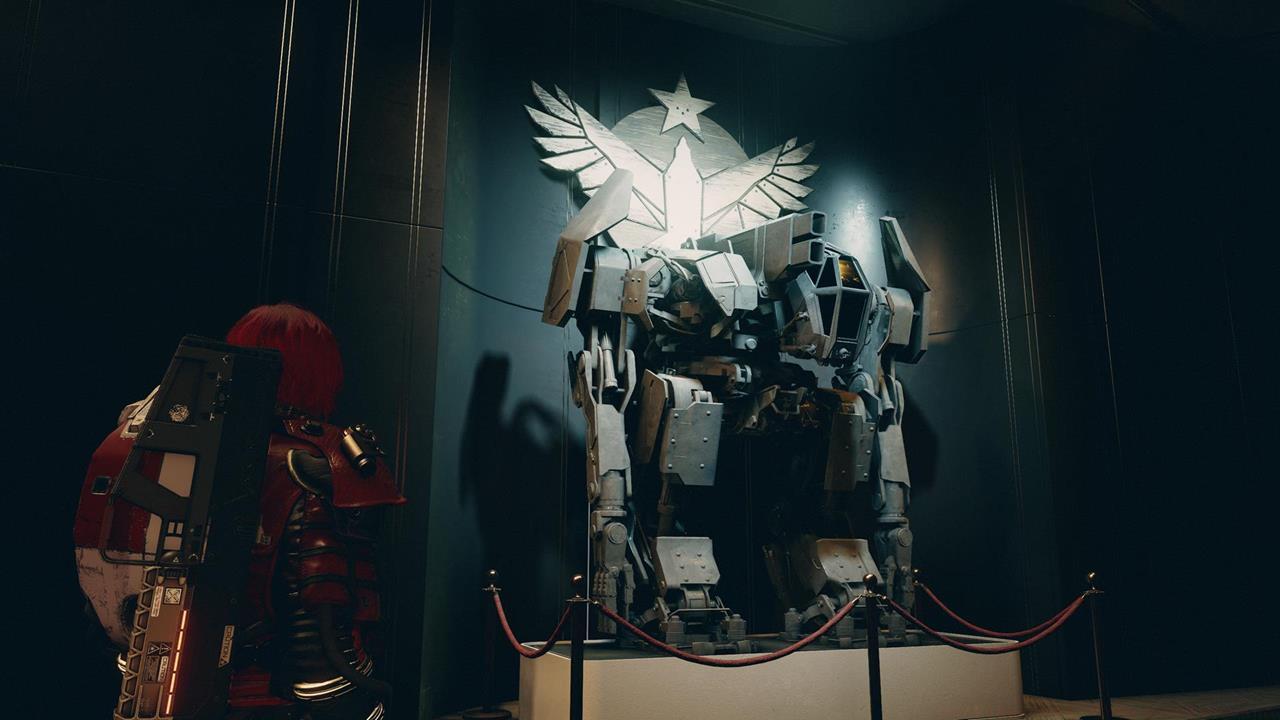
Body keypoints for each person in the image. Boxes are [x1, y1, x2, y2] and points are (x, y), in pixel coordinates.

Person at [74, 303, 403, 720]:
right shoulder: (310, 467)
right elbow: (320, 652)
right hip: (269, 702)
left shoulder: (156, 452)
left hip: (148, 689)